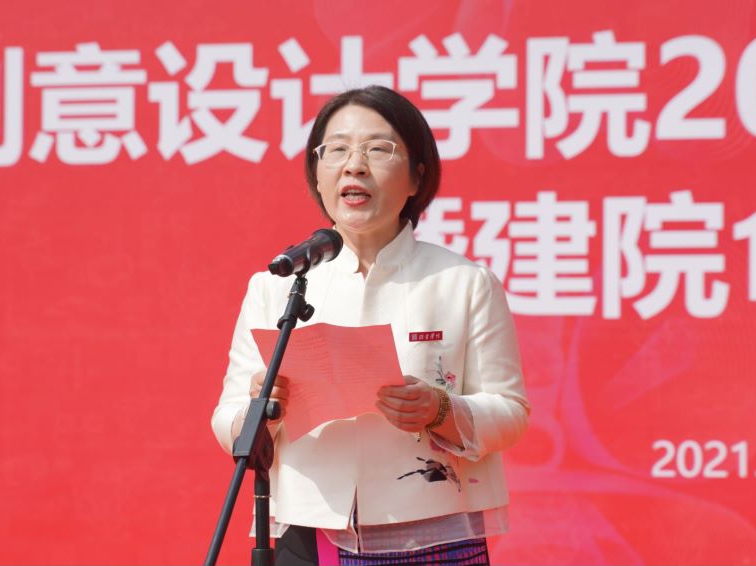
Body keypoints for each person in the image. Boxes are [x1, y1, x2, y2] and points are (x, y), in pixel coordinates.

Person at [212, 85, 530, 565]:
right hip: (310, 532)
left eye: (378, 149)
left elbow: (510, 412)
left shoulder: (464, 283)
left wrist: (439, 409)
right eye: (337, 149)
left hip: (433, 532)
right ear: (318, 174)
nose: (354, 165)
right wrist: (264, 407)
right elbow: (227, 420)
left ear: (417, 176)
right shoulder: (277, 285)